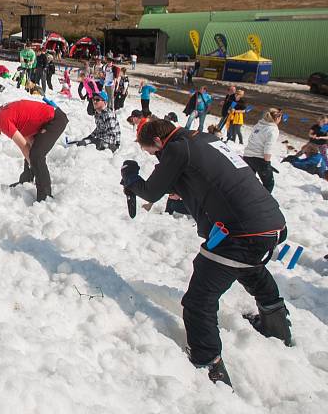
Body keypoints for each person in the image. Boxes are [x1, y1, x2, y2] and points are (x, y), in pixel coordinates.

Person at [121, 119, 291, 387]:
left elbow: (151, 191)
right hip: (269, 224)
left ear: (157, 142)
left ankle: (207, 364)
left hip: (241, 232)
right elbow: (208, 177)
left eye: (152, 153)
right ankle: (277, 325)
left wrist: (131, 179)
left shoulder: (177, 149)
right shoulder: (203, 140)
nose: (156, 158)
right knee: (249, 267)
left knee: (199, 301)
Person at [0, 100, 69, 202]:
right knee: (32, 153)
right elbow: (26, 137)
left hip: (55, 120)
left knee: (36, 155)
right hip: (49, 119)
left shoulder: (1, 121)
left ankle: (45, 196)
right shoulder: (1, 114)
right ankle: (27, 179)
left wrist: (34, 165)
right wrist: (32, 163)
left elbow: (23, 146)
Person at [244, 108, 283, 193]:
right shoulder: (273, 129)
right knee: (269, 184)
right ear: (277, 118)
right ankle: (262, 203)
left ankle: (247, 198)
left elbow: (251, 139)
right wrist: (267, 164)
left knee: (250, 182)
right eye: (280, 118)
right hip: (260, 159)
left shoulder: (259, 124)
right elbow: (268, 148)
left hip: (247, 157)